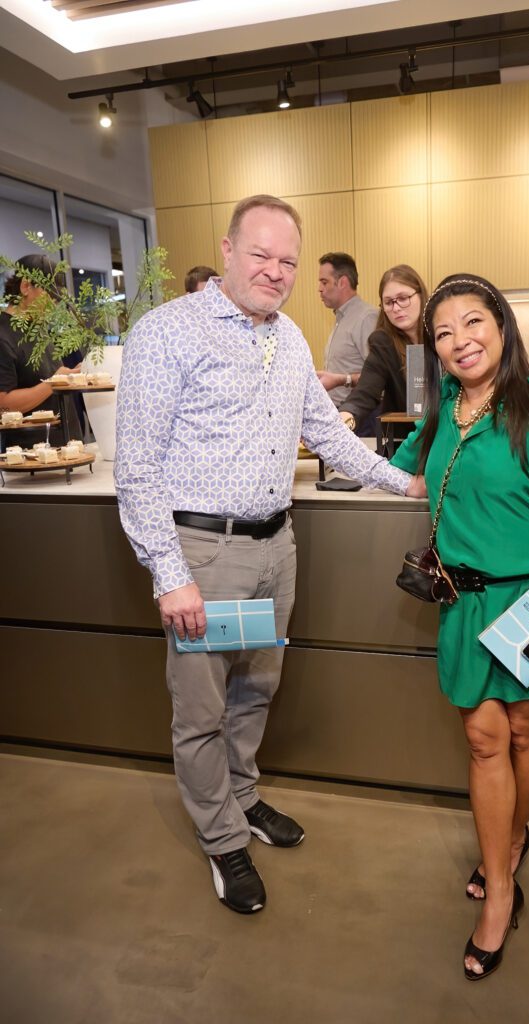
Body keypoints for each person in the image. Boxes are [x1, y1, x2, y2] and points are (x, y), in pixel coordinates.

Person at [114, 195, 422, 917]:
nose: (275, 272)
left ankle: (243, 799)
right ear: (226, 250)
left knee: (255, 691)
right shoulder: (167, 333)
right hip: (203, 553)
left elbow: (328, 435)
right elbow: (137, 469)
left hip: (274, 549)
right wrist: (170, 573)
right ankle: (221, 838)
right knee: (200, 711)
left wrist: (401, 481)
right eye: (261, 254)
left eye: (288, 260)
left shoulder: (286, 340)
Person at [390, 273, 529, 981]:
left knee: (522, 732)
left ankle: (508, 843)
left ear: (502, 326)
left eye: (472, 323)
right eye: (442, 333)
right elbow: (407, 466)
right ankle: (501, 885)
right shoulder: (447, 408)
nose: (459, 341)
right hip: (462, 602)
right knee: (482, 738)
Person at [338, 264, 427, 444]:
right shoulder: (383, 342)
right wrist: (342, 421)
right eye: (388, 302)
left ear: (421, 295)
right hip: (406, 443)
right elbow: (365, 393)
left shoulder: (443, 335)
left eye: (403, 298)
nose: (396, 308)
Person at [0, 255, 81, 446]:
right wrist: (53, 383)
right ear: (26, 286)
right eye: (51, 296)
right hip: (29, 460)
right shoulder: (2, 336)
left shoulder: (39, 330)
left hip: (67, 451)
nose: (54, 304)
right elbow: (3, 404)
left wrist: (71, 376)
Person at [316, 252, 378, 410]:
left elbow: (378, 376)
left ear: (342, 282)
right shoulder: (341, 319)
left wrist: (342, 379)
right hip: (339, 412)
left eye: (324, 282)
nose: (319, 289)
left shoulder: (366, 318)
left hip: (360, 416)